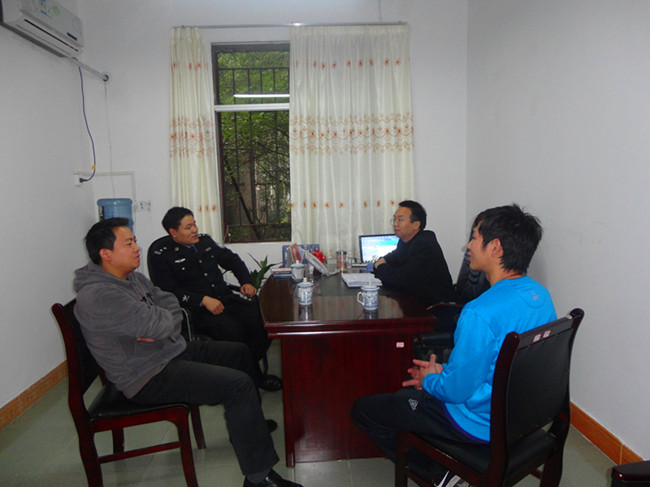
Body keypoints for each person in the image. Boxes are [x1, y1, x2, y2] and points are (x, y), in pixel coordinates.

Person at [73, 218, 302, 487]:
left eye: (134, 241)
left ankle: (248, 426)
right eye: (129, 243)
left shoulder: (130, 277)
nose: (137, 247)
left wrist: (162, 320)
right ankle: (259, 478)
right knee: (237, 385)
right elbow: (161, 323)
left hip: (167, 351)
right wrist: (163, 320)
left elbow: (166, 298)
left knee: (238, 353)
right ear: (106, 254)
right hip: (146, 375)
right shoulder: (100, 295)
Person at [352, 204, 556, 486]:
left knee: (366, 409)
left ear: (495, 247)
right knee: (413, 392)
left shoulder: (479, 312)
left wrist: (430, 380)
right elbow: (492, 362)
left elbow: (456, 391)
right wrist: (442, 371)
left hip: (479, 423)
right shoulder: (540, 295)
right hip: (521, 415)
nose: (468, 245)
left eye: (474, 237)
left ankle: (440, 474)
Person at [148, 207, 281, 392]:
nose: (195, 230)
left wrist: (246, 281)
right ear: (173, 232)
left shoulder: (205, 241)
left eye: (194, 224)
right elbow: (167, 291)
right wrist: (202, 300)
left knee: (266, 322)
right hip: (198, 311)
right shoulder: (161, 254)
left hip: (226, 298)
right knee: (235, 334)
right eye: (188, 227)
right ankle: (256, 378)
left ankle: (243, 367)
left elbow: (232, 260)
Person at [372, 200, 454, 307]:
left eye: (400, 220)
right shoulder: (405, 240)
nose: (395, 224)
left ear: (416, 225)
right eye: (394, 219)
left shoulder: (424, 244)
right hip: (414, 299)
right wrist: (381, 263)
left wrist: (380, 266)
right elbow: (392, 258)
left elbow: (401, 279)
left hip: (434, 307)